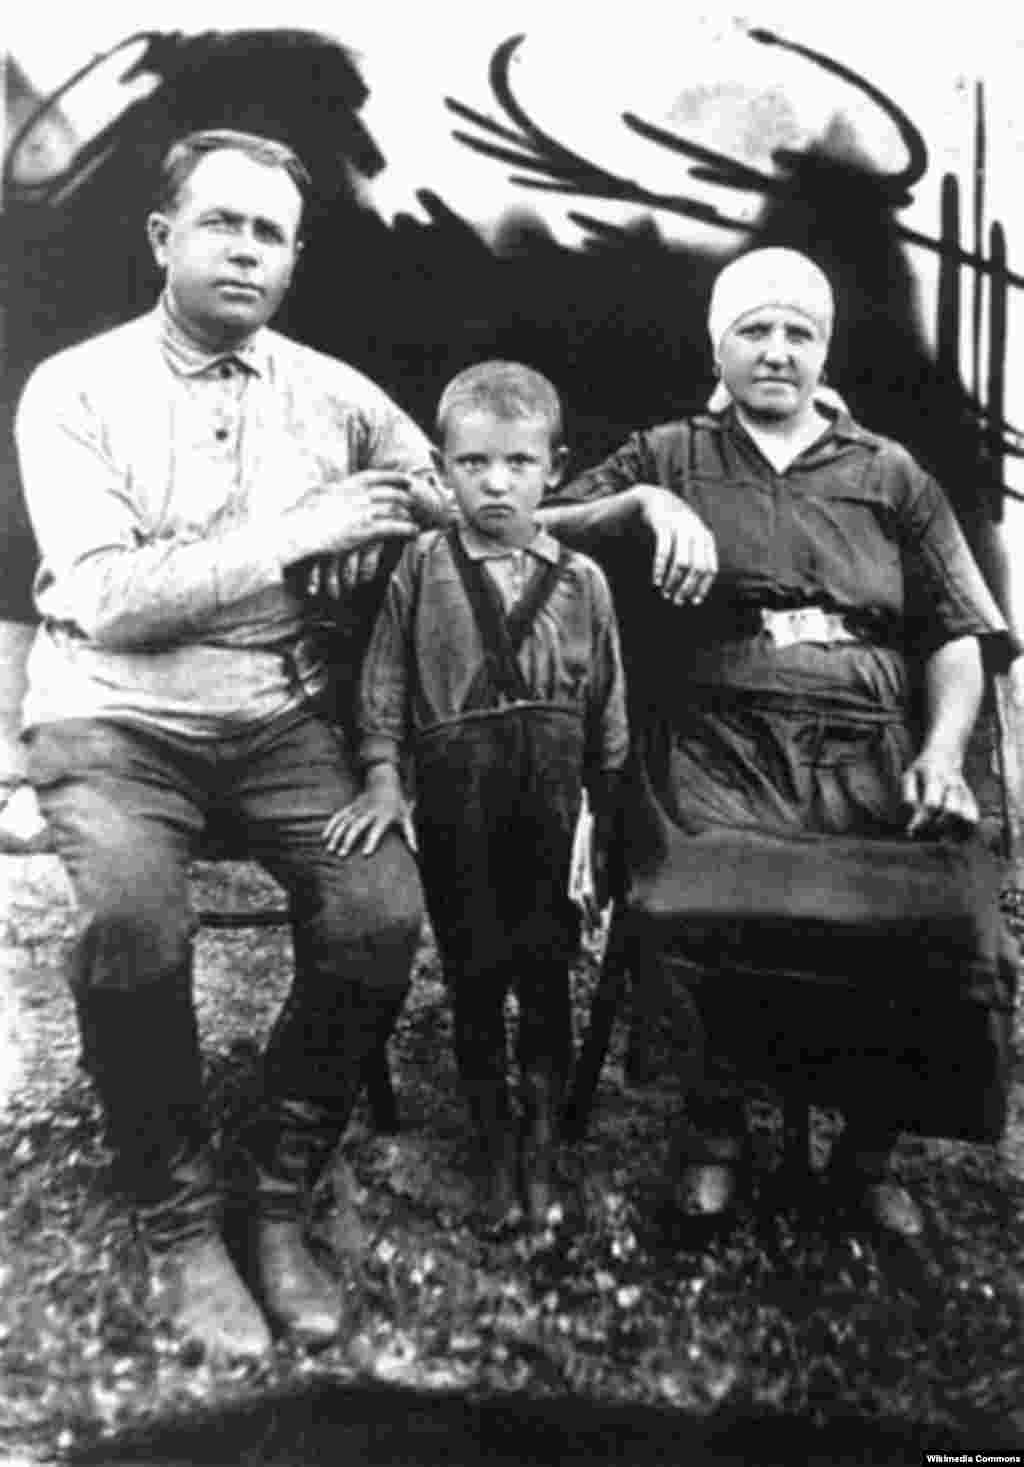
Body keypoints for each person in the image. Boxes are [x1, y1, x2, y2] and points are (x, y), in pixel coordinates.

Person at [13, 128, 452, 1361]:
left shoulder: (330, 390)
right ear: (164, 238)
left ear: (295, 257)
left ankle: (274, 1189)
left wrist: (389, 521)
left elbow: (435, 482)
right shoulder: (74, 386)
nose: (247, 251)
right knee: (135, 923)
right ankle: (176, 1214)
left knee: (376, 910)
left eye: (271, 233)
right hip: (112, 715)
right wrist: (303, 532)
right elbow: (106, 597)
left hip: (272, 715)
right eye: (223, 224)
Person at [535, 247, 1018, 1238]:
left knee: (935, 908)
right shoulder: (669, 451)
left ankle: (870, 1147)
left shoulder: (889, 473)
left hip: (868, 739)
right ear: (717, 343)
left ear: (824, 349)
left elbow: (959, 636)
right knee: (707, 889)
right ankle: (714, 1131)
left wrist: (940, 751)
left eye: (798, 332)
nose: (777, 350)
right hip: (717, 732)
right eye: (754, 329)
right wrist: (639, 504)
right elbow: (532, 524)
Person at [324, 362, 629, 1226]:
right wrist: (384, 776)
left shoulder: (581, 581)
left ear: (555, 468)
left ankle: (539, 1143)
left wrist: (604, 823)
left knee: (546, 972)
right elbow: (382, 684)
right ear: (442, 465)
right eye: (472, 463)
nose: (496, 483)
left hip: (551, 801)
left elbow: (609, 707)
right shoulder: (422, 565)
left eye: (519, 464)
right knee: (472, 973)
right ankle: (491, 1140)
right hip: (460, 799)